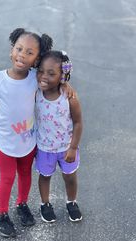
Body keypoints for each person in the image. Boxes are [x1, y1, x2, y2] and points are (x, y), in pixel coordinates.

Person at [0, 28, 74, 238]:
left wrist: (66, 83)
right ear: (12, 50)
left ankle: (21, 204)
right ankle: (1, 213)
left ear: (36, 59)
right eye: (19, 49)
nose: (22, 55)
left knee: (25, 175)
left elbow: (54, 78)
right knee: (7, 177)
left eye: (30, 52)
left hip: (28, 142)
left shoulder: (35, 78)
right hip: (5, 142)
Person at [35, 50, 83, 223]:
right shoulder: (36, 92)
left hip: (66, 148)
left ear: (63, 76)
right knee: (45, 177)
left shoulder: (69, 97)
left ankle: (71, 202)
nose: (43, 76)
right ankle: (45, 204)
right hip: (44, 148)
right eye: (40, 70)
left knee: (70, 177)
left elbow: (78, 123)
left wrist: (73, 147)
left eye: (51, 73)